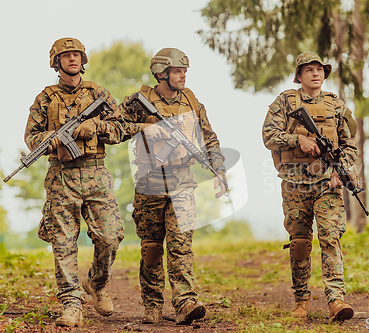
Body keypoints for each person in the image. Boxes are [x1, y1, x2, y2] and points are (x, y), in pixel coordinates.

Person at [118, 48, 227, 325]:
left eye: (185, 71)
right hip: (149, 184)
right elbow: (112, 128)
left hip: (182, 183)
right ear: (161, 73)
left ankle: (185, 302)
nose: (183, 76)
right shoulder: (138, 102)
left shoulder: (192, 101)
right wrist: (144, 128)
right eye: (178, 71)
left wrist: (219, 170)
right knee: (152, 248)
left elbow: (210, 138)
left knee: (181, 246)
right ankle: (152, 305)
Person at [24, 37, 125, 327]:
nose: (72, 59)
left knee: (110, 236)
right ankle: (71, 304)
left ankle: (96, 282)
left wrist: (96, 125)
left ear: (83, 59)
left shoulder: (99, 93)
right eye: (65, 55)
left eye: (76, 54)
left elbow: (121, 128)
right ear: (57, 62)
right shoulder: (45, 98)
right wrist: (49, 138)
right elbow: (31, 138)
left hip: (96, 173)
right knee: (63, 242)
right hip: (61, 176)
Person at [262, 51, 358, 322]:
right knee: (301, 242)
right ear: (299, 76)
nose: (316, 73)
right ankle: (301, 301)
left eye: (320, 69)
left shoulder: (335, 105)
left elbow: (350, 145)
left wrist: (342, 170)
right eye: (310, 70)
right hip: (294, 182)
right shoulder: (284, 101)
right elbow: (268, 135)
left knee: (330, 236)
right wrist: (297, 140)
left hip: (327, 182)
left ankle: (336, 300)